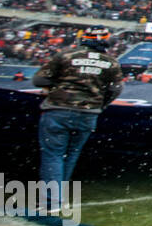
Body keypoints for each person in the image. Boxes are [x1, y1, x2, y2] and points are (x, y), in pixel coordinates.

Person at [32, 25, 122, 214]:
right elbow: (115, 90)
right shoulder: (111, 63)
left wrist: (59, 85)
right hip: (89, 113)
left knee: (53, 154)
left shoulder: (66, 56)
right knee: (70, 155)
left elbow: (39, 80)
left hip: (59, 109)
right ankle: (58, 198)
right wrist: (100, 104)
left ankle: (51, 201)